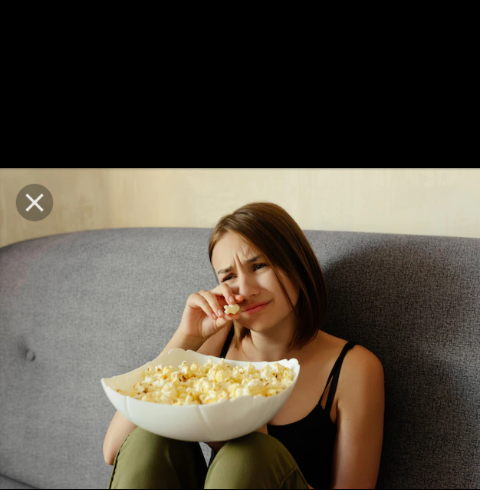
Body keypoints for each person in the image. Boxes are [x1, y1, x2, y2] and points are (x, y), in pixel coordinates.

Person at [103, 201, 385, 489]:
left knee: (250, 454)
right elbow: (115, 449)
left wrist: (252, 440)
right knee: (150, 437)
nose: (246, 290)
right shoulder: (217, 342)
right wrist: (186, 338)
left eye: (259, 265)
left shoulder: (353, 368)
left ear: (296, 264)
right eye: (229, 277)